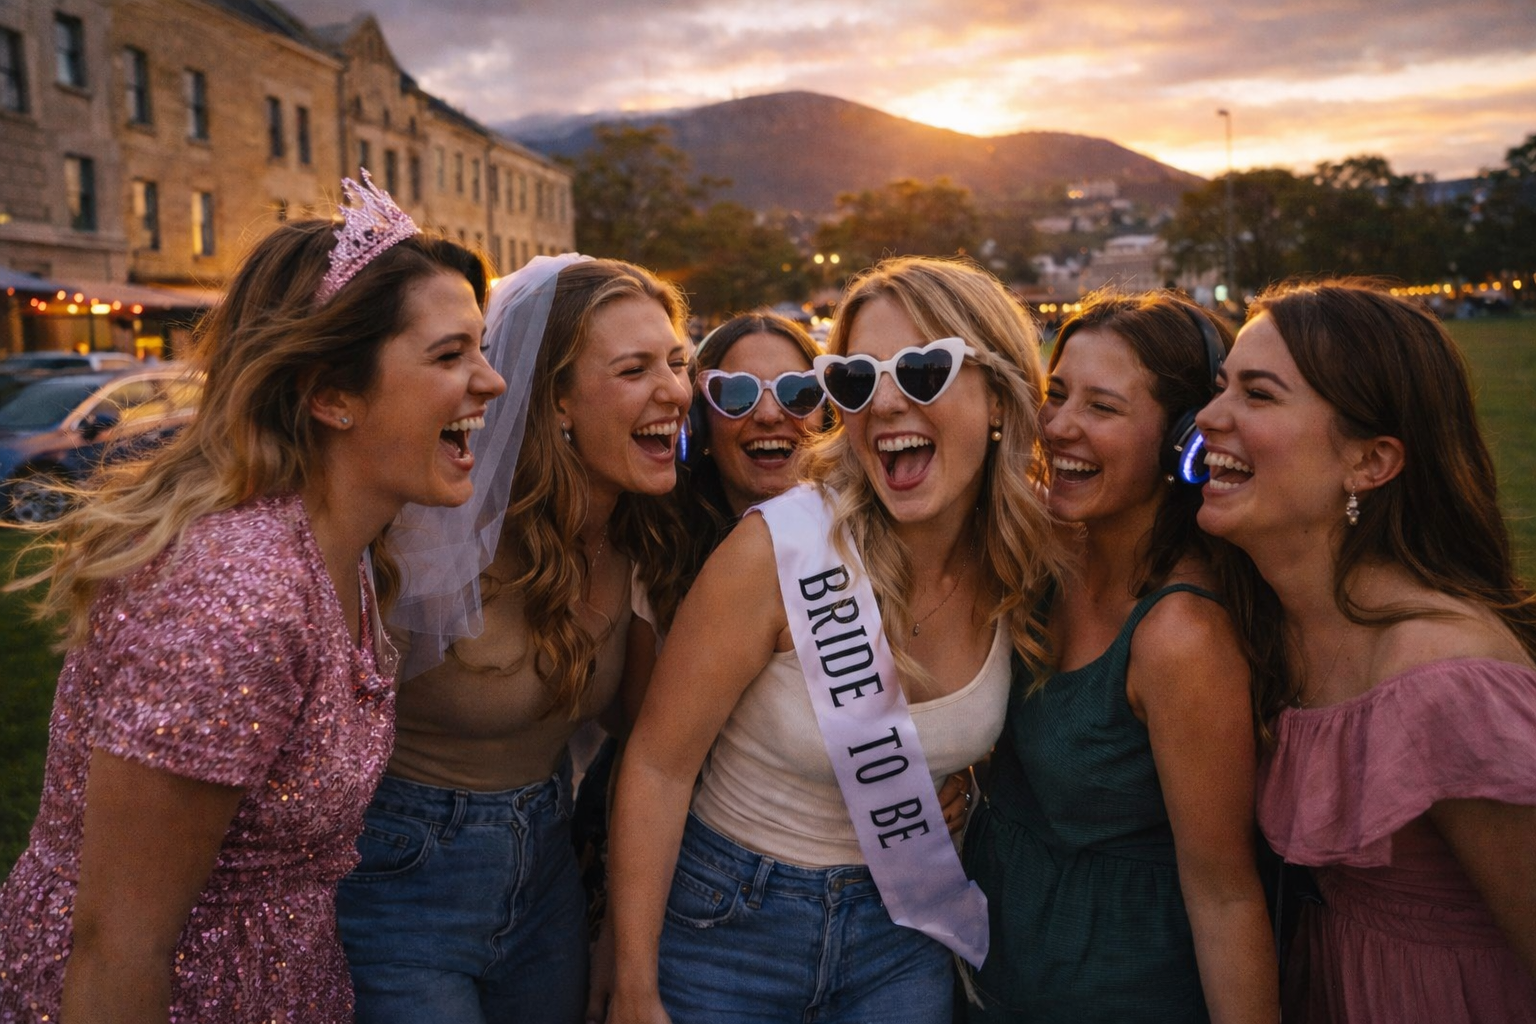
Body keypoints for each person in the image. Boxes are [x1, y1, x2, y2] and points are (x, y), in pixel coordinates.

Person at [0, 172, 506, 1023]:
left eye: (480, 348)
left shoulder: (343, 554)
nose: (490, 382)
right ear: (331, 395)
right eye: (451, 355)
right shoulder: (235, 600)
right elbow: (118, 944)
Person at [607, 256, 1061, 1024]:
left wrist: (958, 784)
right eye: (854, 378)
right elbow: (655, 766)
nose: (884, 403)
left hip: (902, 933)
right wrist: (632, 984)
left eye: (921, 371)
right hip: (730, 925)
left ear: (997, 391)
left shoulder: (1029, 559)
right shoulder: (778, 549)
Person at [334, 256, 693, 1024]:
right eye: (634, 369)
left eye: (677, 362)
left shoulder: (643, 539)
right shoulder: (427, 529)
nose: (675, 391)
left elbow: (648, 738)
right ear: (554, 400)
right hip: (400, 881)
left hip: (548, 882)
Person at [1194, 280, 1536, 1022]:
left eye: (1257, 395)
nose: (1209, 416)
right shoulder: (1272, 625)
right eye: (1221, 388)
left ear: (1371, 463)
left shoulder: (1447, 684)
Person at [961, 291, 1279, 1022]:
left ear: (1179, 439)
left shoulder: (1180, 636)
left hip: (1121, 992)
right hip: (993, 976)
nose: (1060, 427)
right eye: (1058, 393)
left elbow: (1226, 894)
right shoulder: (1039, 552)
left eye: (1103, 408)